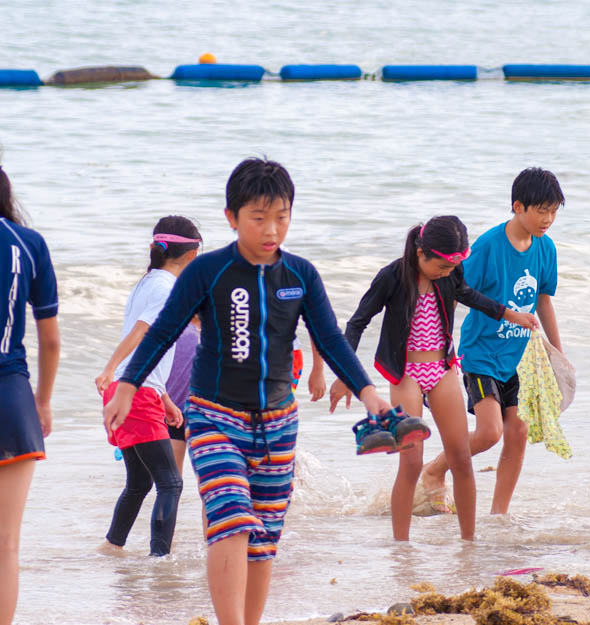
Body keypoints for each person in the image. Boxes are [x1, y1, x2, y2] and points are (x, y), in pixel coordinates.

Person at [103, 157, 390, 625]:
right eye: (259, 218)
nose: (272, 229)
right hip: (215, 417)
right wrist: (127, 386)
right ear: (232, 218)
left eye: (282, 216)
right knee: (231, 520)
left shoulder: (300, 275)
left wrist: (368, 390)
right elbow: (160, 332)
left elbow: (331, 338)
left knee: (264, 540)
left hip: (278, 423)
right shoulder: (207, 272)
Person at [329, 216, 538, 541]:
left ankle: (469, 544)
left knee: (461, 459)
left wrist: (511, 314)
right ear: (421, 253)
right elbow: (357, 322)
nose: (446, 273)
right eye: (440, 266)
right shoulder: (393, 277)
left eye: (451, 266)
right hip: (406, 373)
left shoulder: (449, 273)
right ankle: (402, 549)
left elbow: (470, 295)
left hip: (442, 370)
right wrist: (345, 375)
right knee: (412, 463)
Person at [420, 167, 565, 515]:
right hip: (481, 353)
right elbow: (453, 294)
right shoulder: (486, 247)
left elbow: (544, 301)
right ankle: (434, 471)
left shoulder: (546, 250)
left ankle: (499, 515)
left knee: (518, 431)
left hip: (519, 356)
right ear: (518, 206)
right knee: (489, 433)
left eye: (553, 212)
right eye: (541, 210)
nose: (547, 219)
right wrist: (437, 350)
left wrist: (559, 357)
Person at [95, 216, 201, 556]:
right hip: (135, 392)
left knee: (140, 482)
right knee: (170, 482)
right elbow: (140, 333)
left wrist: (165, 397)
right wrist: (110, 369)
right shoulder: (165, 288)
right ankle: (160, 560)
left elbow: (149, 347)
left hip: (139, 390)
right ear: (192, 256)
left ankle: (112, 547)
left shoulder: (146, 283)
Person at [0, 165, 60, 625]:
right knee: (6, 543)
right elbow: (51, 340)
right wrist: (42, 401)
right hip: (11, 399)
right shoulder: (29, 244)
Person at [164, 316, 200, 472]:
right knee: (172, 483)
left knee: (171, 483)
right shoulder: (180, 331)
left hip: (180, 411)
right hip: (174, 412)